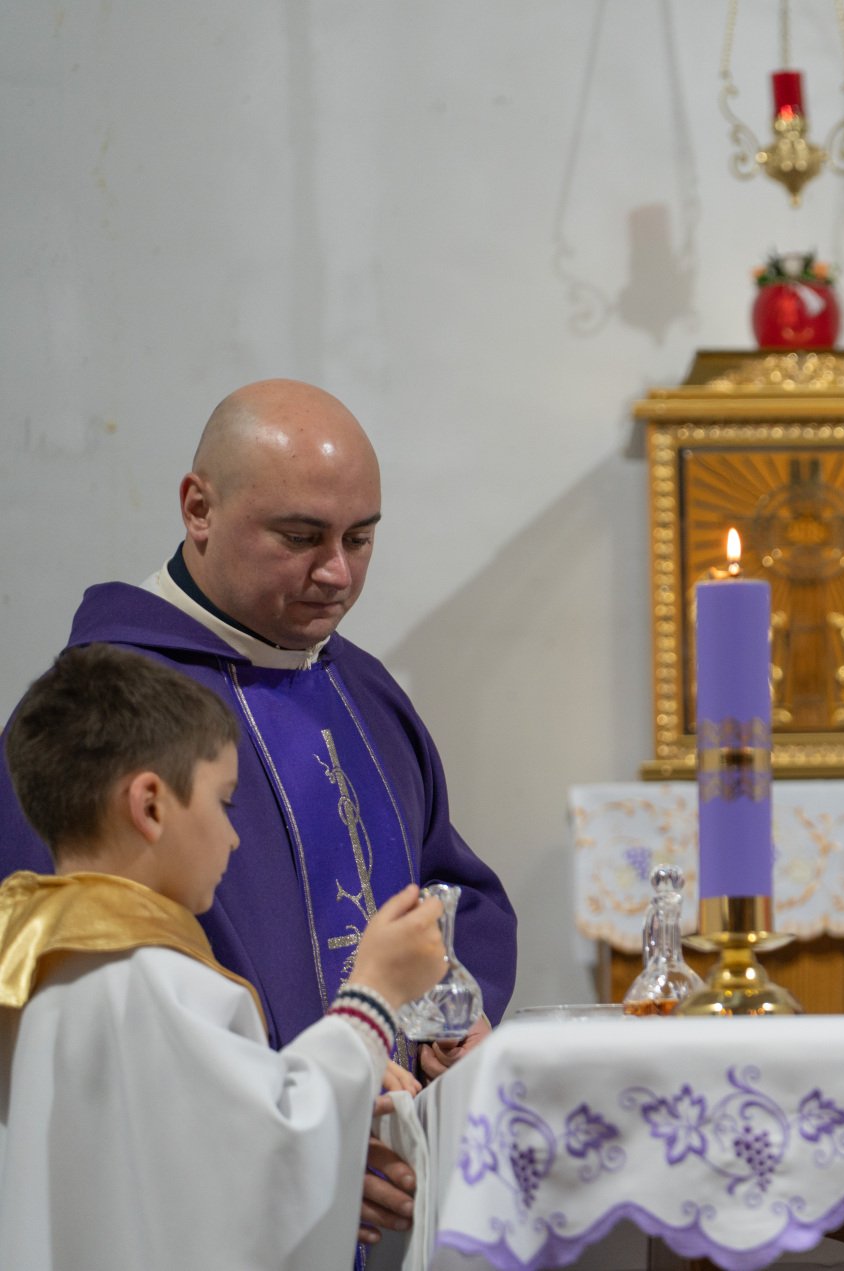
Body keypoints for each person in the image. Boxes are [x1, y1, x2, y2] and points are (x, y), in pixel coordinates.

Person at [0, 378, 517, 1244]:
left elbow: (447, 887)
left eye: (360, 538)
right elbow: (87, 1033)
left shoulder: (361, 689)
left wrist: (445, 1020)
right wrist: (303, 1158)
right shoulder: (107, 718)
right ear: (198, 508)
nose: (337, 573)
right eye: (301, 537)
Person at [0, 644, 450, 1269]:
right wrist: (373, 997)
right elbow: (269, 1157)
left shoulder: (39, 967)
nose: (234, 836)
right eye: (224, 801)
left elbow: (174, 1171)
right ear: (150, 805)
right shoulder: (147, 978)